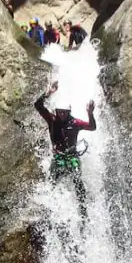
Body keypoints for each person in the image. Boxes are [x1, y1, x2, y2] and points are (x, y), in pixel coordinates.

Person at [34, 81, 96, 209]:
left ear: (69, 112)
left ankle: (82, 207)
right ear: (56, 111)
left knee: (77, 177)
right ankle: (49, 208)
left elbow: (92, 127)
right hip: (58, 157)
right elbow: (38, 105)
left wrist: (90, 113)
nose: (62, 115)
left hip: (72, 156)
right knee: (52, 180)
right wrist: (49, 93)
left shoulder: (75, 122)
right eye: (60, 112)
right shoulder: (52, 120)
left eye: (64, 112)